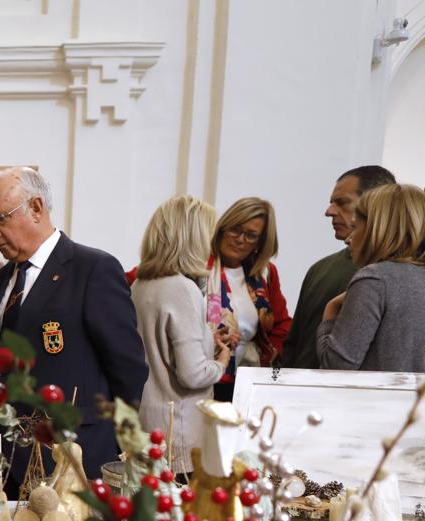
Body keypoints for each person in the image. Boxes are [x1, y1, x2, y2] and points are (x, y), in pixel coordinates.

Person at [0, 168, 147, 490]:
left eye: (0, 218)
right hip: (12, 457)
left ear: (36, 208)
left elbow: (129, 369)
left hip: (75, 453)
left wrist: (115, 439)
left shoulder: (92, 269)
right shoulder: (2, 280)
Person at [317, 183, 425, 372]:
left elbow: (335, 368)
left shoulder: (373, 280)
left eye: (356, 226)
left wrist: (331, 309)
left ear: (377, 230)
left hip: (378, 393)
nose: (348, 239)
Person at [131, 196, 230, 471]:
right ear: (193, 239)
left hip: (148, 423)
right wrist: (221, 363)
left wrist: (207, 341)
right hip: (179, 431)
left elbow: (158, 349)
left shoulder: (141, 284)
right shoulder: (182, 288)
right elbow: (192, 375)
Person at [281, 165, 396, 368]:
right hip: (299, 385)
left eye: (342, 203)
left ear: (375, 203)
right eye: (331, 203)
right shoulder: (320, 269)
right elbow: (293, 346)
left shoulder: (392, 276)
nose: (329, 212)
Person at [205, 197, 290, 400]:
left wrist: (270, 358)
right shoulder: (198, 265)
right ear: (222, 228)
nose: (240, 239)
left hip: (248, 377)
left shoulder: (264, 273)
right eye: (235, 229)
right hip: (205, 372)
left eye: (251, 235)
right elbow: (147, 274)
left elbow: (281, 325)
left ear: (260, 243)